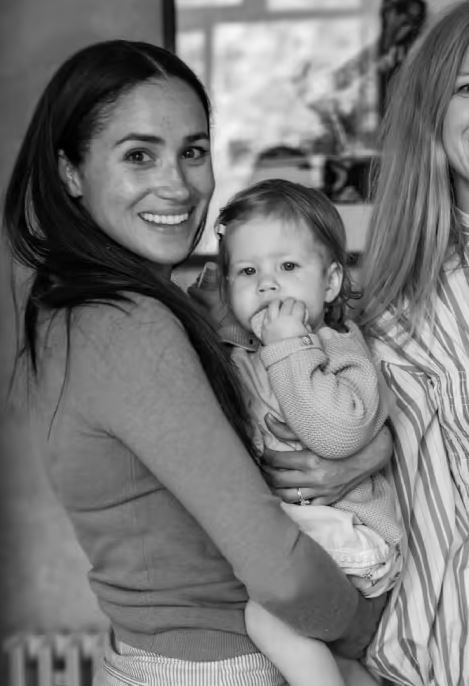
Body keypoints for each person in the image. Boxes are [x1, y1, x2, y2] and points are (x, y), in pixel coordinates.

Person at [3, 40, 392, 686]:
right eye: (138, 155)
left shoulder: (95, 308)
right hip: (217, 665)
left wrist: (365, 451)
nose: (178, 185)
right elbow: (281, 572)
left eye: (192, 151)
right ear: (70, 171)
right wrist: (375, 630)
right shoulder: (127, 325)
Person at [261, 4, 469, 685]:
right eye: (468, 88)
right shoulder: (381, 303)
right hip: (421, 660)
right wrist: (376, 440)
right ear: (432, 116)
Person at [200, 179, 402, 686]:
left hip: (352, 536)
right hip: (307, 534)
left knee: (264, 616)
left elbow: (337, 435)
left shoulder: (339, 348)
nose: (268, 285)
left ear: (330, 283)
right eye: (248, 271)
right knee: (330, 658)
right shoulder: (245, 354)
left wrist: (289, 345)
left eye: (288, 267)